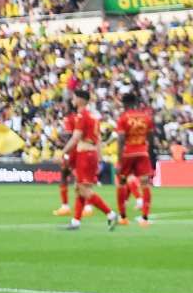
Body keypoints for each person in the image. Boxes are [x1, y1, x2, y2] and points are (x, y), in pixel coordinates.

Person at [62, 88, 117, 231]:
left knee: (84, 189)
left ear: (80, 99)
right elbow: (98, 140)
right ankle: (76, 221)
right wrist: (99, 158)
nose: (72, 100)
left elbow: (75, 138)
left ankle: (110, 214)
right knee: (79, 188)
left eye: (74, 97)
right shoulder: (93, 117)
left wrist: (63, 152)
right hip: (91, 154)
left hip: (85, 154)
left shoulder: (82, 116)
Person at [114, 91, 156, 227]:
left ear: (124, 104)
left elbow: (120, 139)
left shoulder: (123, 118)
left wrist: (120, 160)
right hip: (142, 152)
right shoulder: (146, 117)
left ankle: (123, 217)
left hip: (128, 153)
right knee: (145, 184)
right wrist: (147, 152)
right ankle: (144, 218)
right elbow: (151, 138)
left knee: (121, 182)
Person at [53, 104, 77, 217]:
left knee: (66, 175)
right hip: (78, 150)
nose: (62, 109)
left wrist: (61, 143)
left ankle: (65, 206)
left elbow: (69, 136)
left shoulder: (68, 118)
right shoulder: (78, 117)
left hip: (71, 152)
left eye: (64, 107)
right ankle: (86, 206)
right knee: (74, 176)